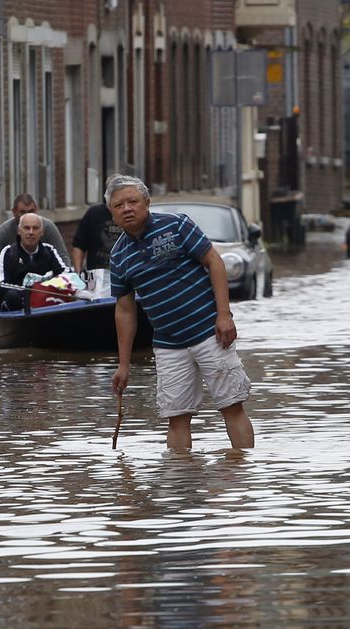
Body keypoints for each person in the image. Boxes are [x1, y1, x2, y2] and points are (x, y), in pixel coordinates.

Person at [107, 175, 255, 452]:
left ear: (147, 203)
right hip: (168, 344)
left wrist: (224, 315)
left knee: (231, 405)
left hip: (209, 332)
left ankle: (243, 472)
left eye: (132, 201)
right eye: (118, 205)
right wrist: (123, 365)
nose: (127, 209)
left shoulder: (176, 225)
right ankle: (180, 481)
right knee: (176, 416)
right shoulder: (118, 256)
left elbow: (214, 260)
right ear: (111, 213)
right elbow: (125, 310)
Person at [0, 193, 69, 287]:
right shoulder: (3, 232)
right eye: (22, 212)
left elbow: (63, 258)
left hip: (45, 286)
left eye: (31, 211)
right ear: (14, 212)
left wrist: (65, 287)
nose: (31, 232)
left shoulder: (48, 227)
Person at [0, 212, 69, 310]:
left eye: (35, 228)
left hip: (45, 302)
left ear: (41, 232)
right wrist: (33, 291)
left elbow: (66, 275)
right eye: (26, 228)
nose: (31, 232)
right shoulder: (8, 252)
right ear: (19, 231)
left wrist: (47, 289)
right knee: (12, 296)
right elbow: (3, 286)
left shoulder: (50, 251)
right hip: (18, 302)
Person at [71, 197, 125, 273]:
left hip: (125, 274)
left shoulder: (130, 214)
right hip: (96, 276)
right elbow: (79, 245)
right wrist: (78, 273)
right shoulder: (94, 213)